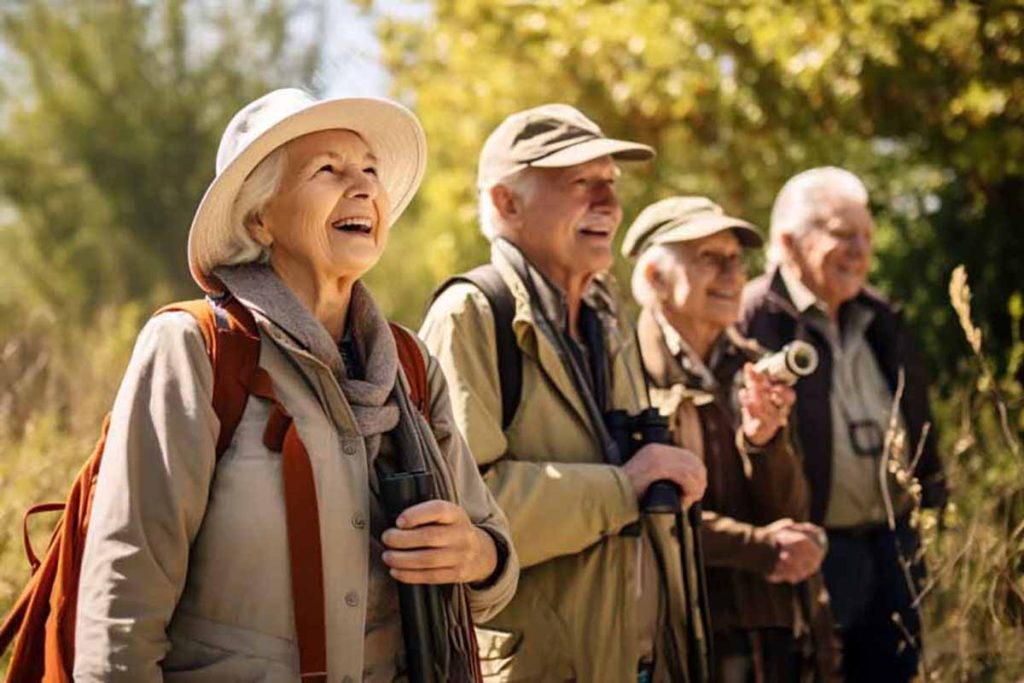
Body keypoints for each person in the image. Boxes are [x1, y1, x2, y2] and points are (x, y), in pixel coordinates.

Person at [74, 88, 519, 682]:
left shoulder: (410, 365)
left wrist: (477, 556)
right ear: (260, 216)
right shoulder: (199, 348)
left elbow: (494, 570)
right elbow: (122, 606)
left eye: (369, 170)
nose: (363, 187)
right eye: (327, 170)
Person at [420, 104, 709, 682]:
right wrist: (626, 486)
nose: (609, 203)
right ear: (506, 203)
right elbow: (463, 511)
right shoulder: (473, 314)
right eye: (581, 182)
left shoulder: (607, 315)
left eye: (611, 183)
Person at [741, 167, 948, 681]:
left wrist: (935, 503)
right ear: (789, 241)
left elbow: (915, 408)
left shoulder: (878, 313)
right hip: (816, 554)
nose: (860, 250)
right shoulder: (755, 316)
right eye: (843, 234)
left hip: (894, 543)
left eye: (866, 236)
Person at [625, 196, 841, 682]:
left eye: (736, 260)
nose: (731, 275)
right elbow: (643, 515)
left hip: (775, 633)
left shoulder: (758, 363)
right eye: (709, 258)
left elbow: (792, 508)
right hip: (678, 639)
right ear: (656, 277)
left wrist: (764, 443)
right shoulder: (624, 370)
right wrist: (759, 548)